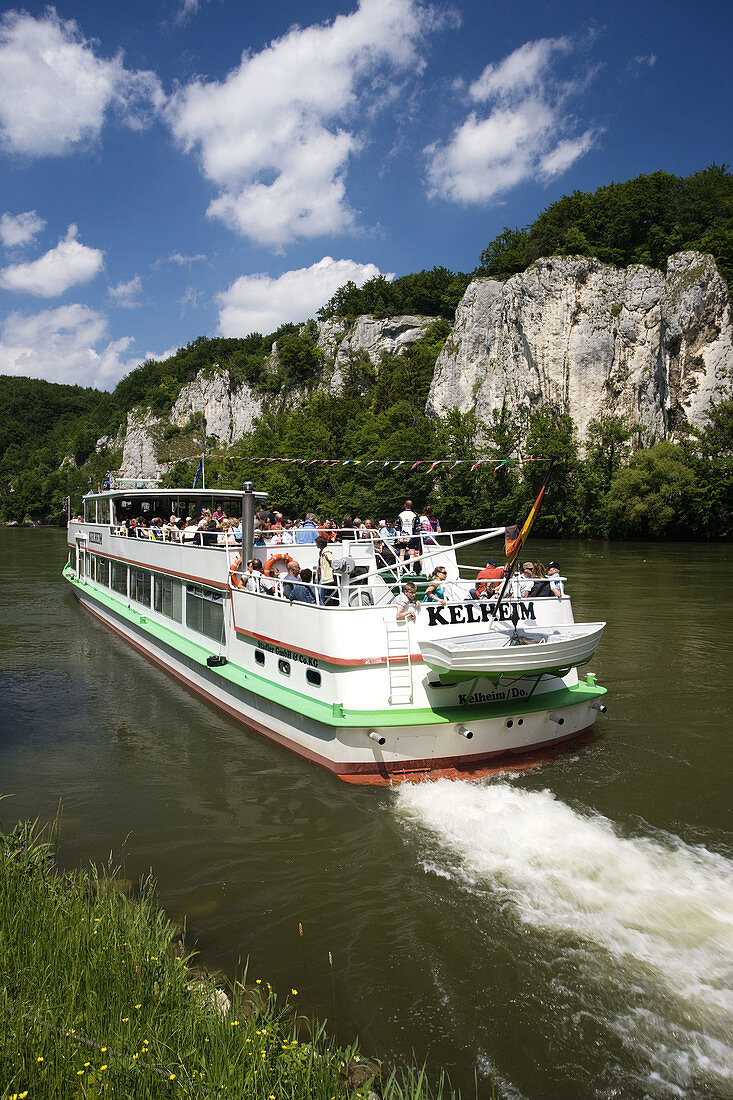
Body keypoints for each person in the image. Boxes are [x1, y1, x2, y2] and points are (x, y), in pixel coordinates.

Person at [315, 536, 337, 606]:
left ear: (320, 543)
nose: (316, 544)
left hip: (323, 574)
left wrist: (334, 569)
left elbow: (333, 561)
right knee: (319, 592)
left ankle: (321, 605)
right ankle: (320, 604)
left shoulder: (326, 552)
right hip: (320, 574)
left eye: (317, 543)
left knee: (321, 593)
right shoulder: (322, 551)